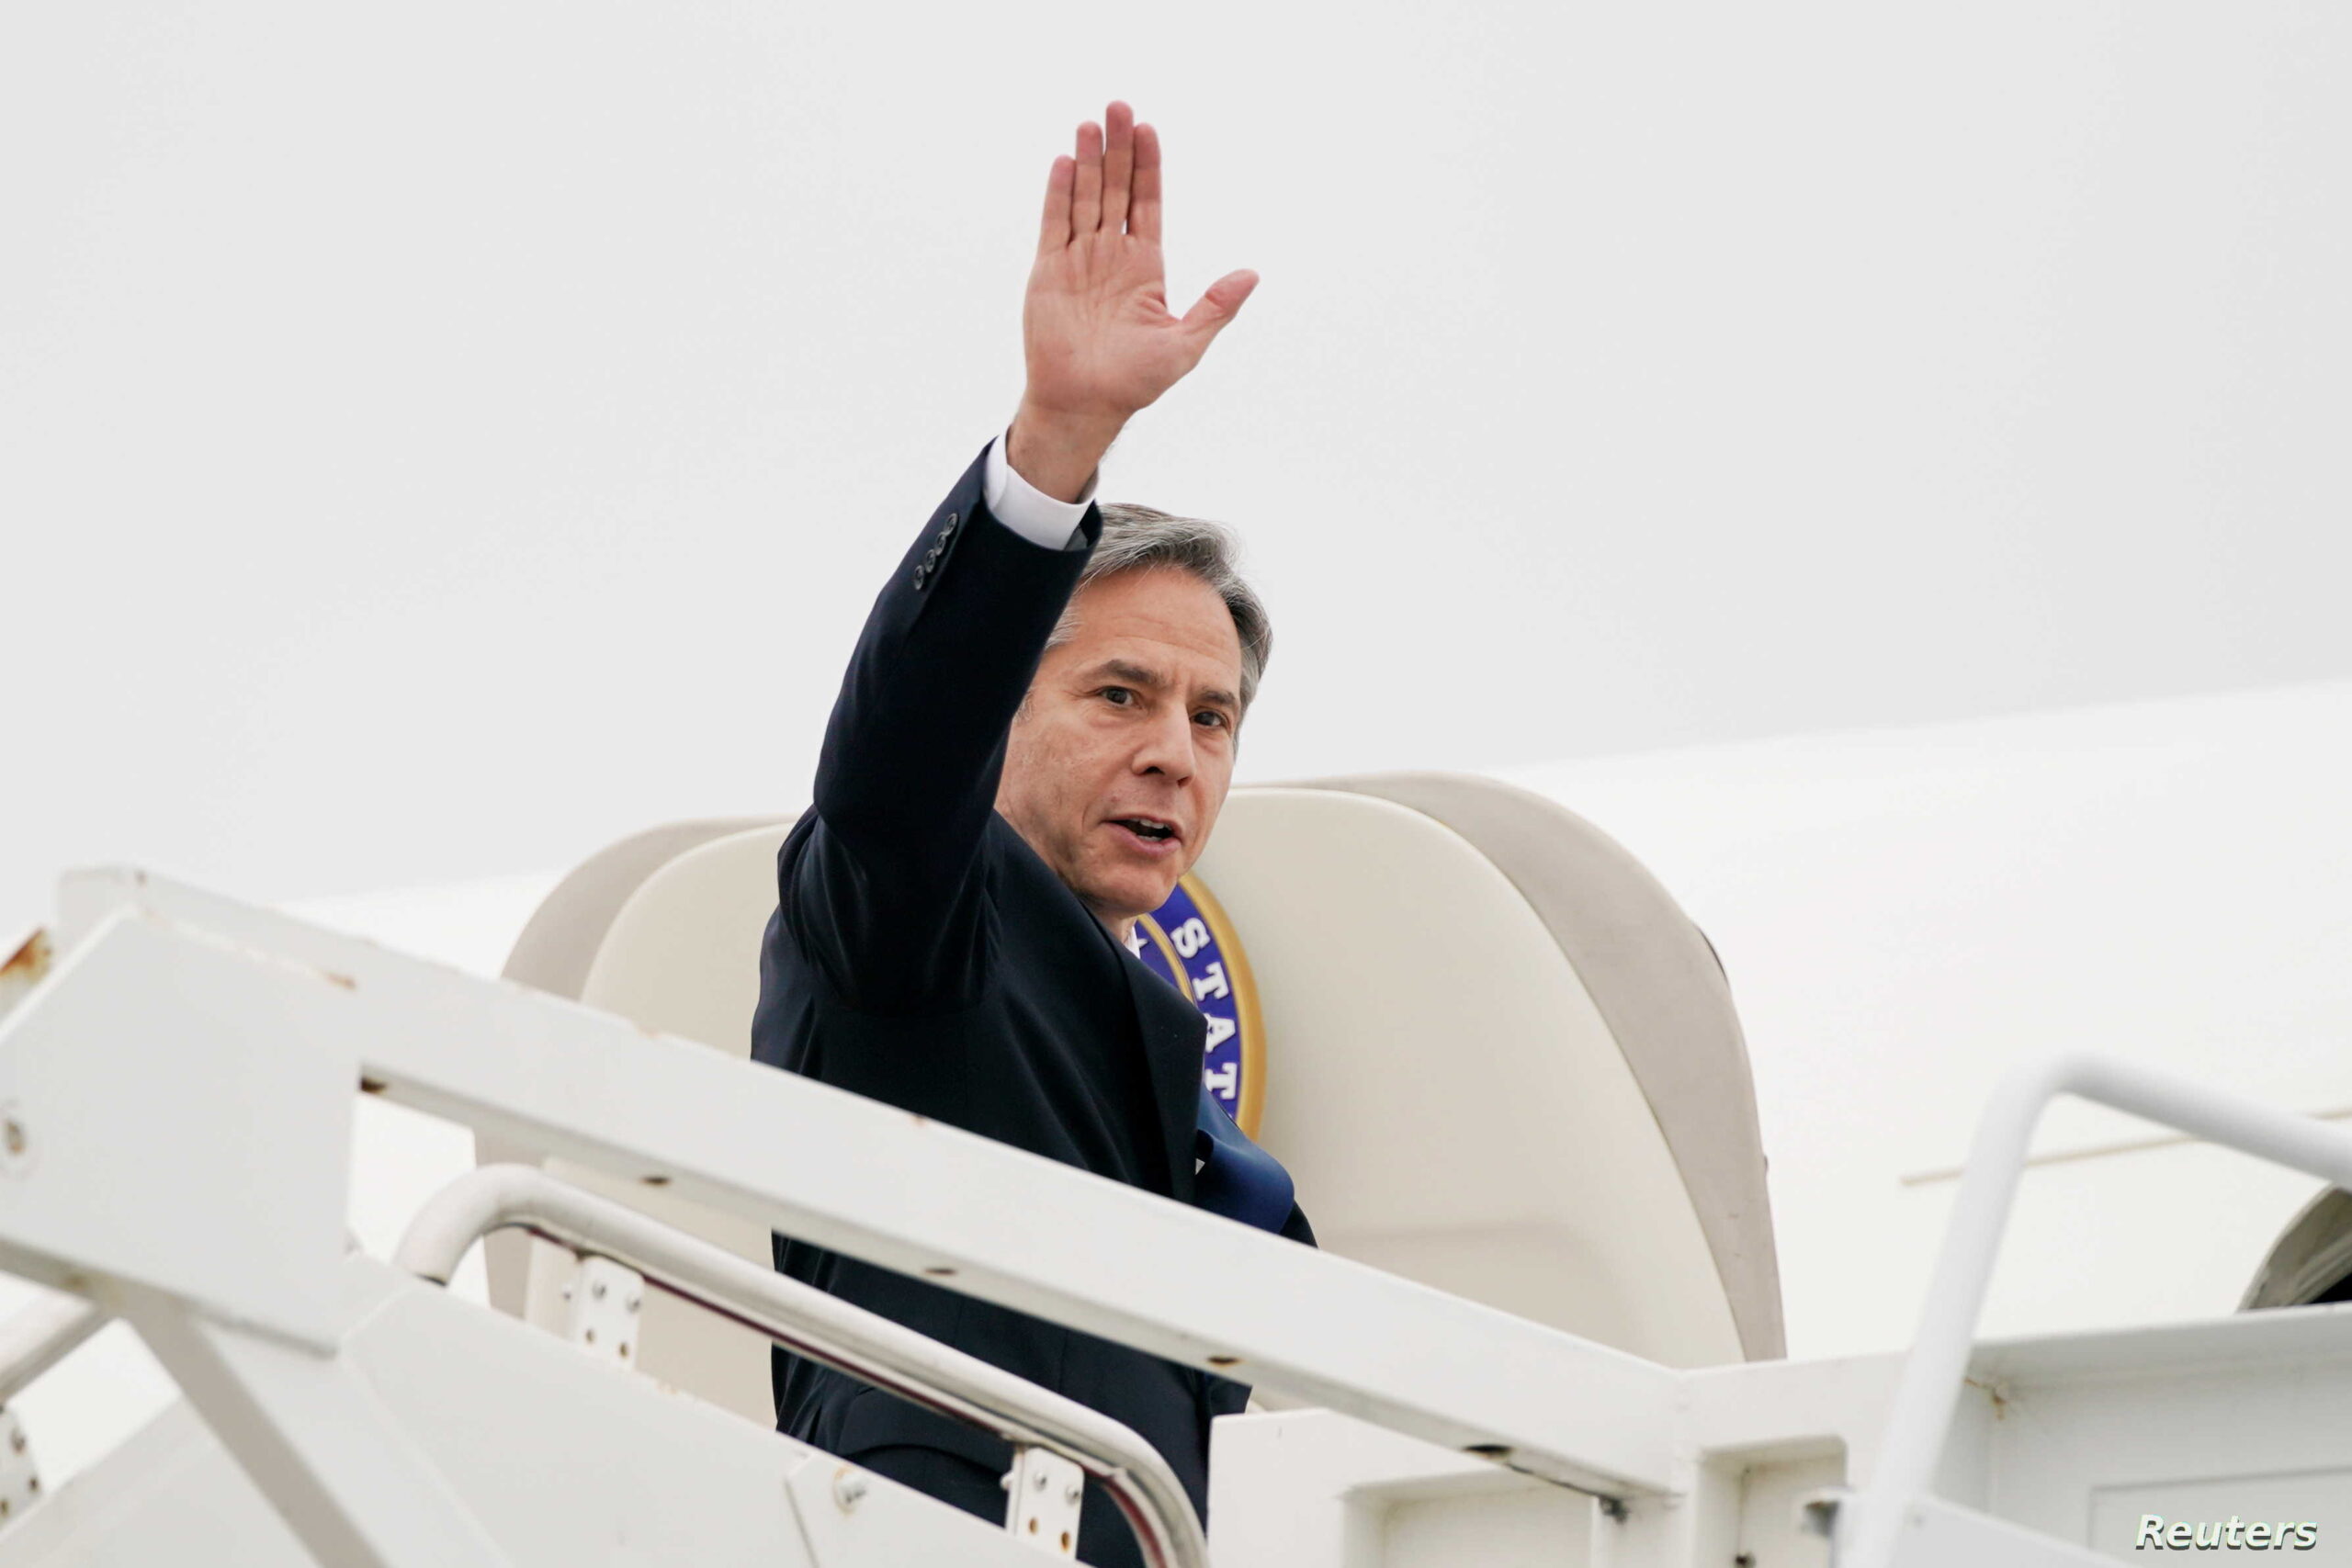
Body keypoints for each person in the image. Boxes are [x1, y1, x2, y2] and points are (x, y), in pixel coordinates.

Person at [749, 100, 1316, 1568]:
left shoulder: (1162, 1065)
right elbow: (896, 761)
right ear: (1004, 709)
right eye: (1120, 694)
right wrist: (1060, 441)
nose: (1171, 753)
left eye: (1212, 718)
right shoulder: (909, 926)